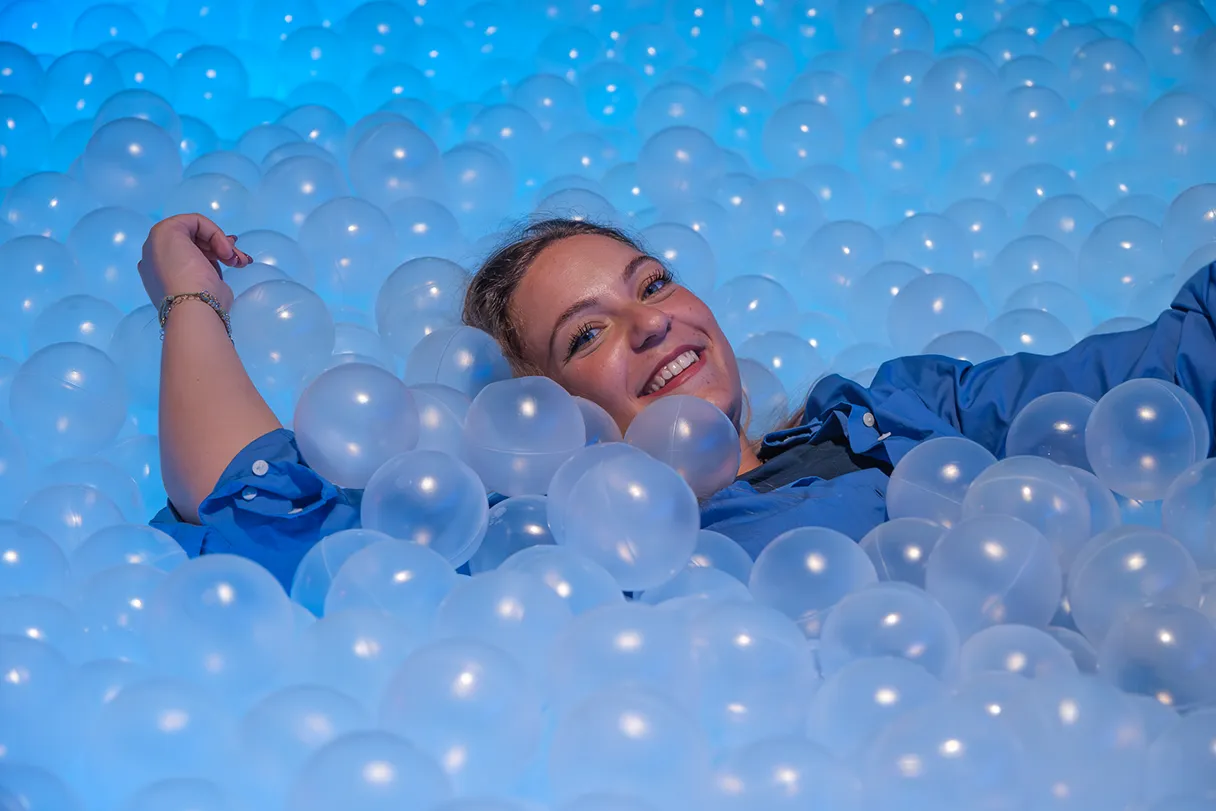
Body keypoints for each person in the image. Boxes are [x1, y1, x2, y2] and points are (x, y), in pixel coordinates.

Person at [145, 213, 1216, 589]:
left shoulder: (899, 413)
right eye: (588, 333)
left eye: (650, 283)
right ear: (540, 417)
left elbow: (1176, 367)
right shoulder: (561, 560)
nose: (650, 320)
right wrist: (183, 288)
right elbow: (252, 500)